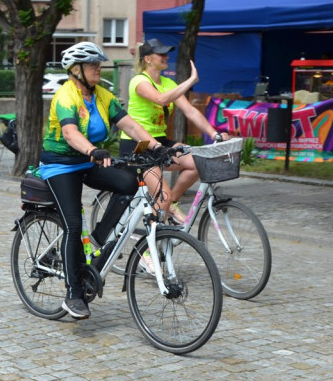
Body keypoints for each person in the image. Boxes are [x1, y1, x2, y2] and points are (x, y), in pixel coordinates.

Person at [41, 41, 163, 320]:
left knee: (129, 183)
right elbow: (71, 133)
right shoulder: (65, 96)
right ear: (76, 70)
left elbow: (129, 125)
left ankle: (97, 238)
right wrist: (93, 150)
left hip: (88, 161)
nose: (98, 68)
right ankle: (73, 294)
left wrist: (157, 147)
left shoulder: (103, 96)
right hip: (60, 165)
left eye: (99, 64)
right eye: (92, 64)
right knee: (73, 225)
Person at [121, 39, 229, 223]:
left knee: (197, 162)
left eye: (166, 53)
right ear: (147, 59)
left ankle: (172, 203)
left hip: (159, 141)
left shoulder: (168, 83)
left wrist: (214, 134)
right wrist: (191, 81)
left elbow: (190, 111)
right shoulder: (139, 81)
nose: (166, 57)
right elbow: (161, 99)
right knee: (162, 195)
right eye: (161, 54)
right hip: (138, 144)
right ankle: (149, 248)